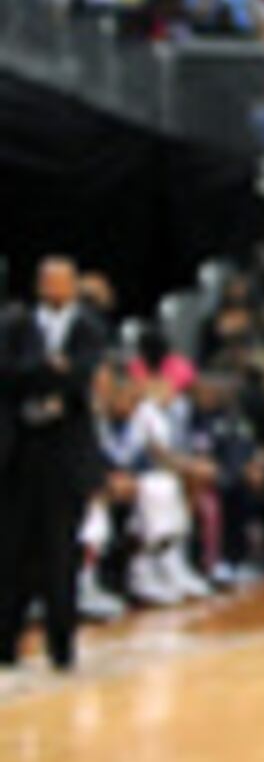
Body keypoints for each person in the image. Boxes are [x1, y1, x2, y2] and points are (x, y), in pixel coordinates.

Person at [5, 256, 118, 664]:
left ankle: (62, 645)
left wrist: (52, 377)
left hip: (65, 452)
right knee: (13, 548)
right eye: (48, 282)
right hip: (21, 449)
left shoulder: (88, 327)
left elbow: (83, 374)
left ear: (72, 286)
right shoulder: (16, 324)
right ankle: (6, 642)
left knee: (60, 550)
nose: (54, 289)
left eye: (62, 282)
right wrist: (49, 371)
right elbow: (10, 373)